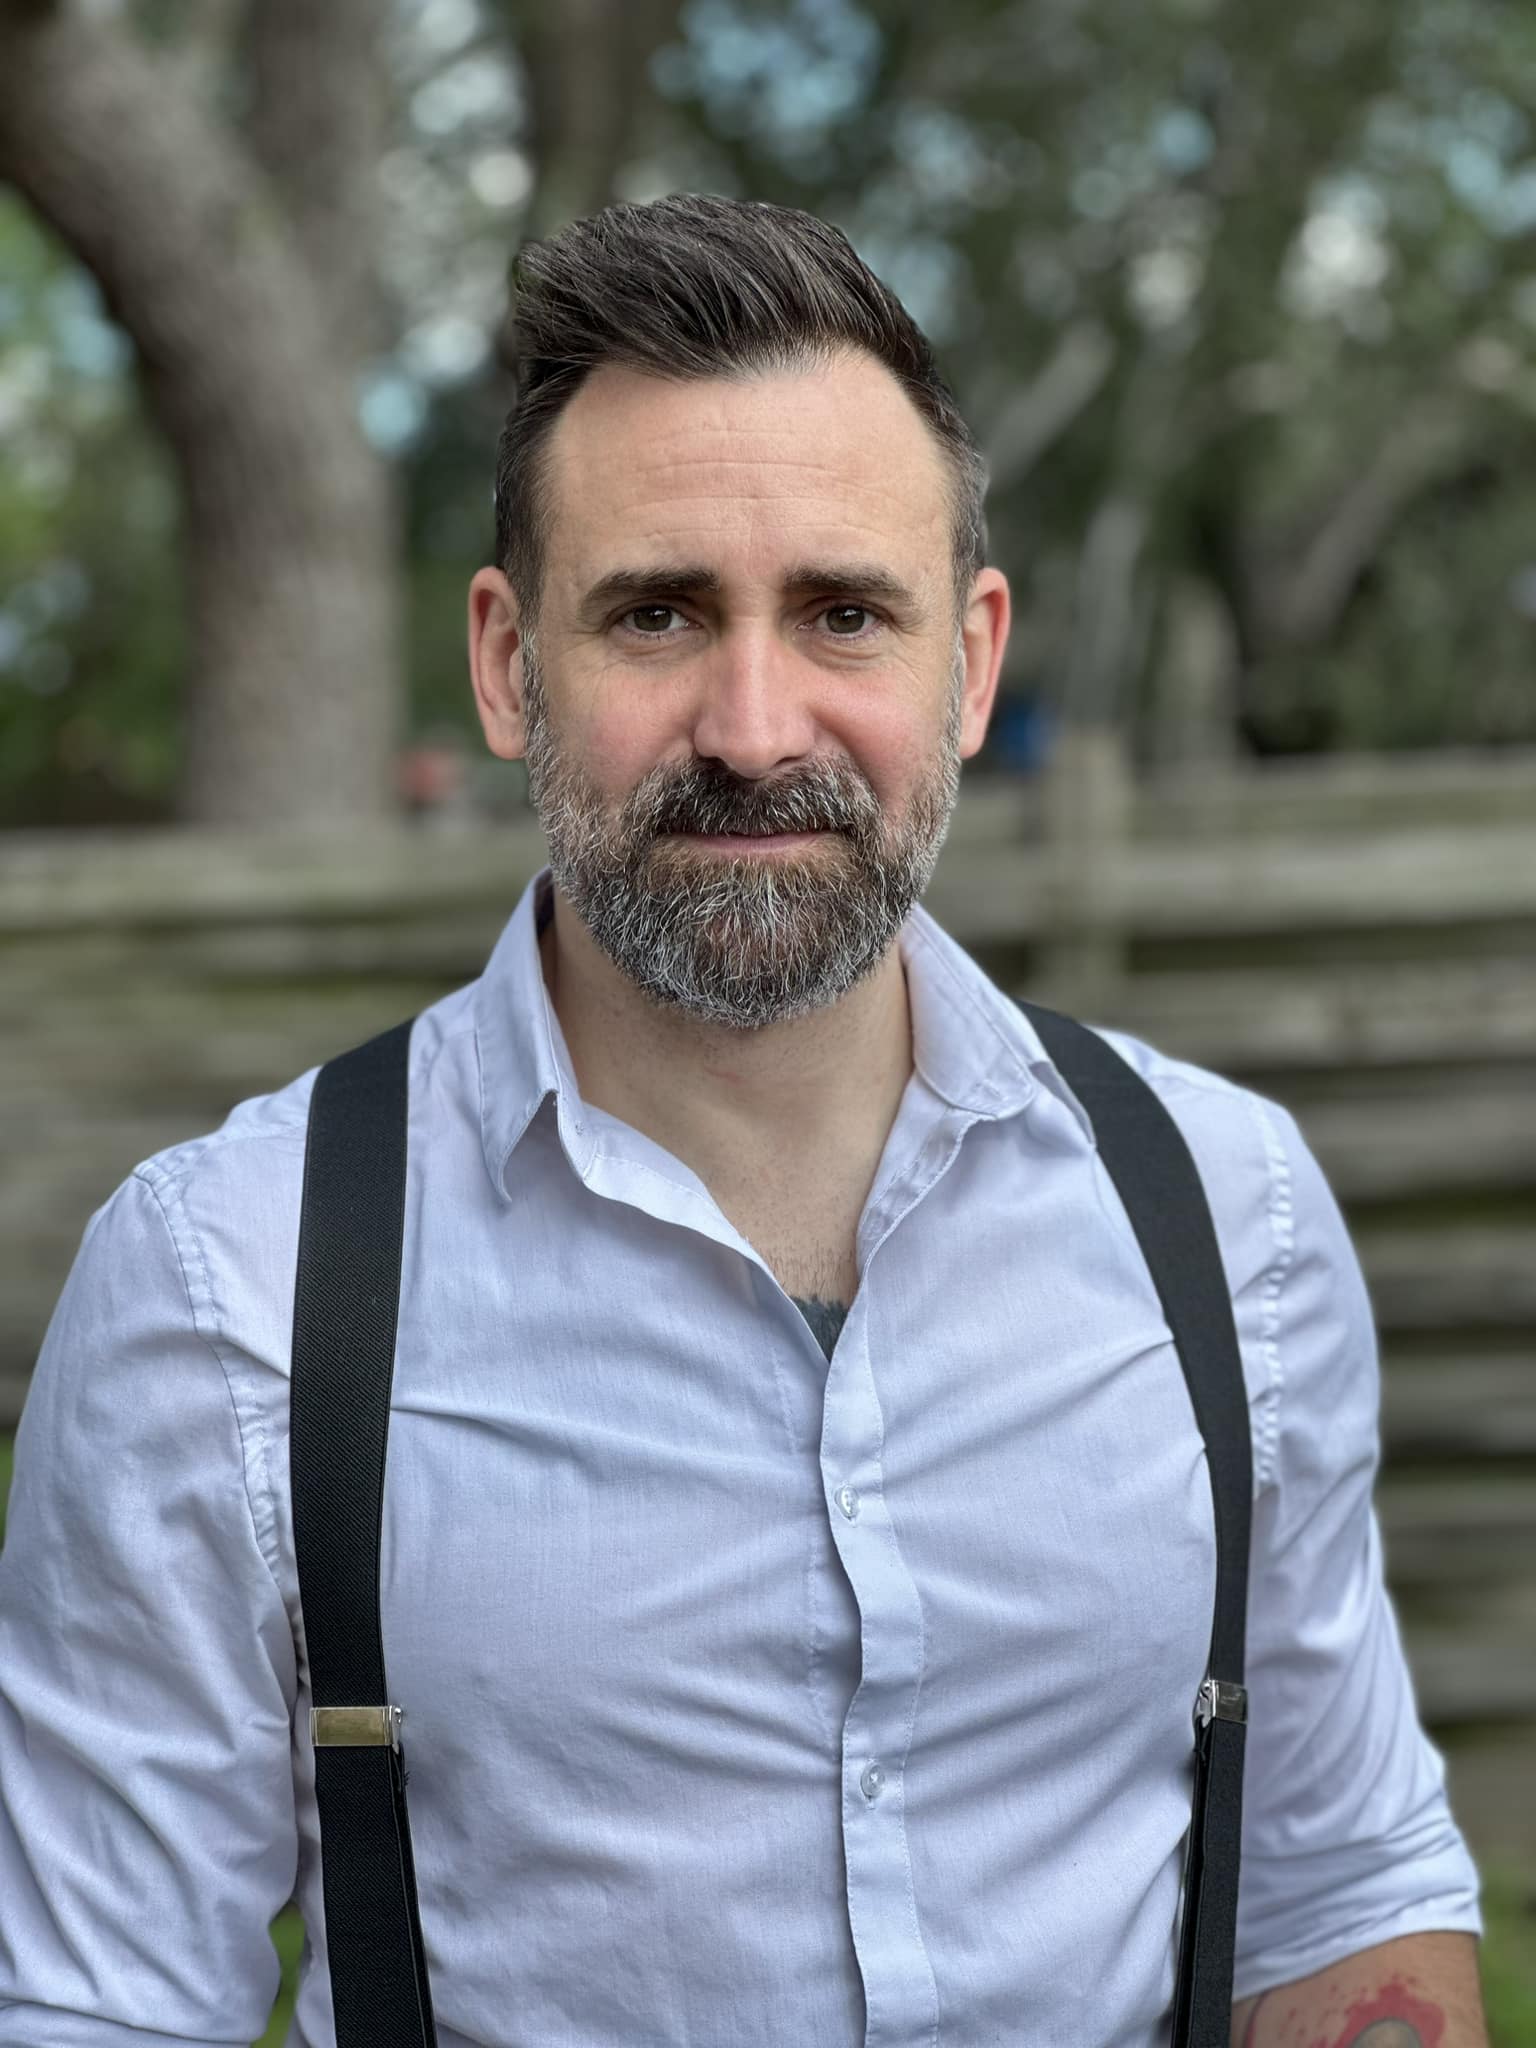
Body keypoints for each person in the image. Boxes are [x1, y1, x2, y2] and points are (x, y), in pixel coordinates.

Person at [0, 194, 1486, 2048]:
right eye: (658, 613)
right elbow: (97, 2010)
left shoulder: (1228, 1211)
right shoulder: (225, 1288)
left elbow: (1337, 1886)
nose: (756, 721)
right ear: (506, 660)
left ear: (971, 660)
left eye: (845, 612)